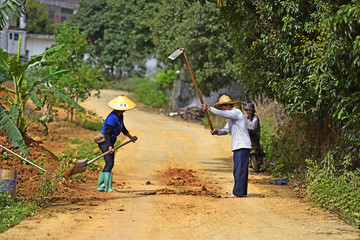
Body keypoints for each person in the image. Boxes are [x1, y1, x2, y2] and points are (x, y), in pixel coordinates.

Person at [201, 95, 252, 198]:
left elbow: (223, 114)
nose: (221, 109)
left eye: (222, 106)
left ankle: (239, 192)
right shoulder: (231, 118)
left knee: (240, 170)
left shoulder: (236, 113)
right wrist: (217, 132)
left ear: (228, 105)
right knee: (237, 170)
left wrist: (209, 108)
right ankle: (239, 191)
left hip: (242, 145)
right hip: (238, 146)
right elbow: (226, 130)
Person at [97, 94, 138, 192]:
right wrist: (109, 146)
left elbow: (122, 128)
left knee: (110, 163)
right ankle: (107, 187)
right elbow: (107, 133)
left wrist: (130, 137)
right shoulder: (113, 117)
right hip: (105, 141)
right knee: (109, 163)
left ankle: (101, 186)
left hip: (111, 141)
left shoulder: (120, 116)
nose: (123, 110)